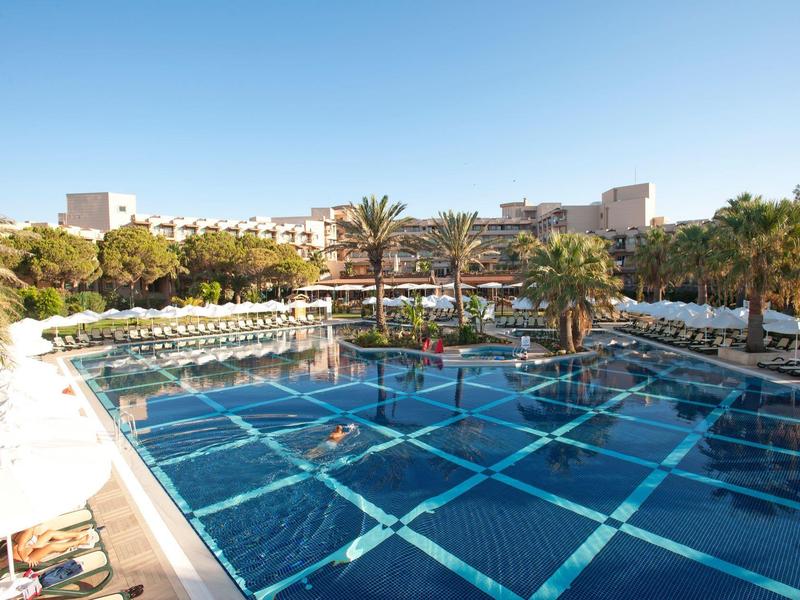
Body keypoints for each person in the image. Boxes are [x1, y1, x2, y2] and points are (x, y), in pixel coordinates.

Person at [9, 525, 95, 567]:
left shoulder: (29, 526)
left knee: (50, 532)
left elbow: (30, 542)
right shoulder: (27, 531)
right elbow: (20, 548)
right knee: (51, 546)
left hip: (29, 548)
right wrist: (26, 559)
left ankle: (77, 535)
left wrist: (38, 543)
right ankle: (78, 542)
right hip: (23, 559)